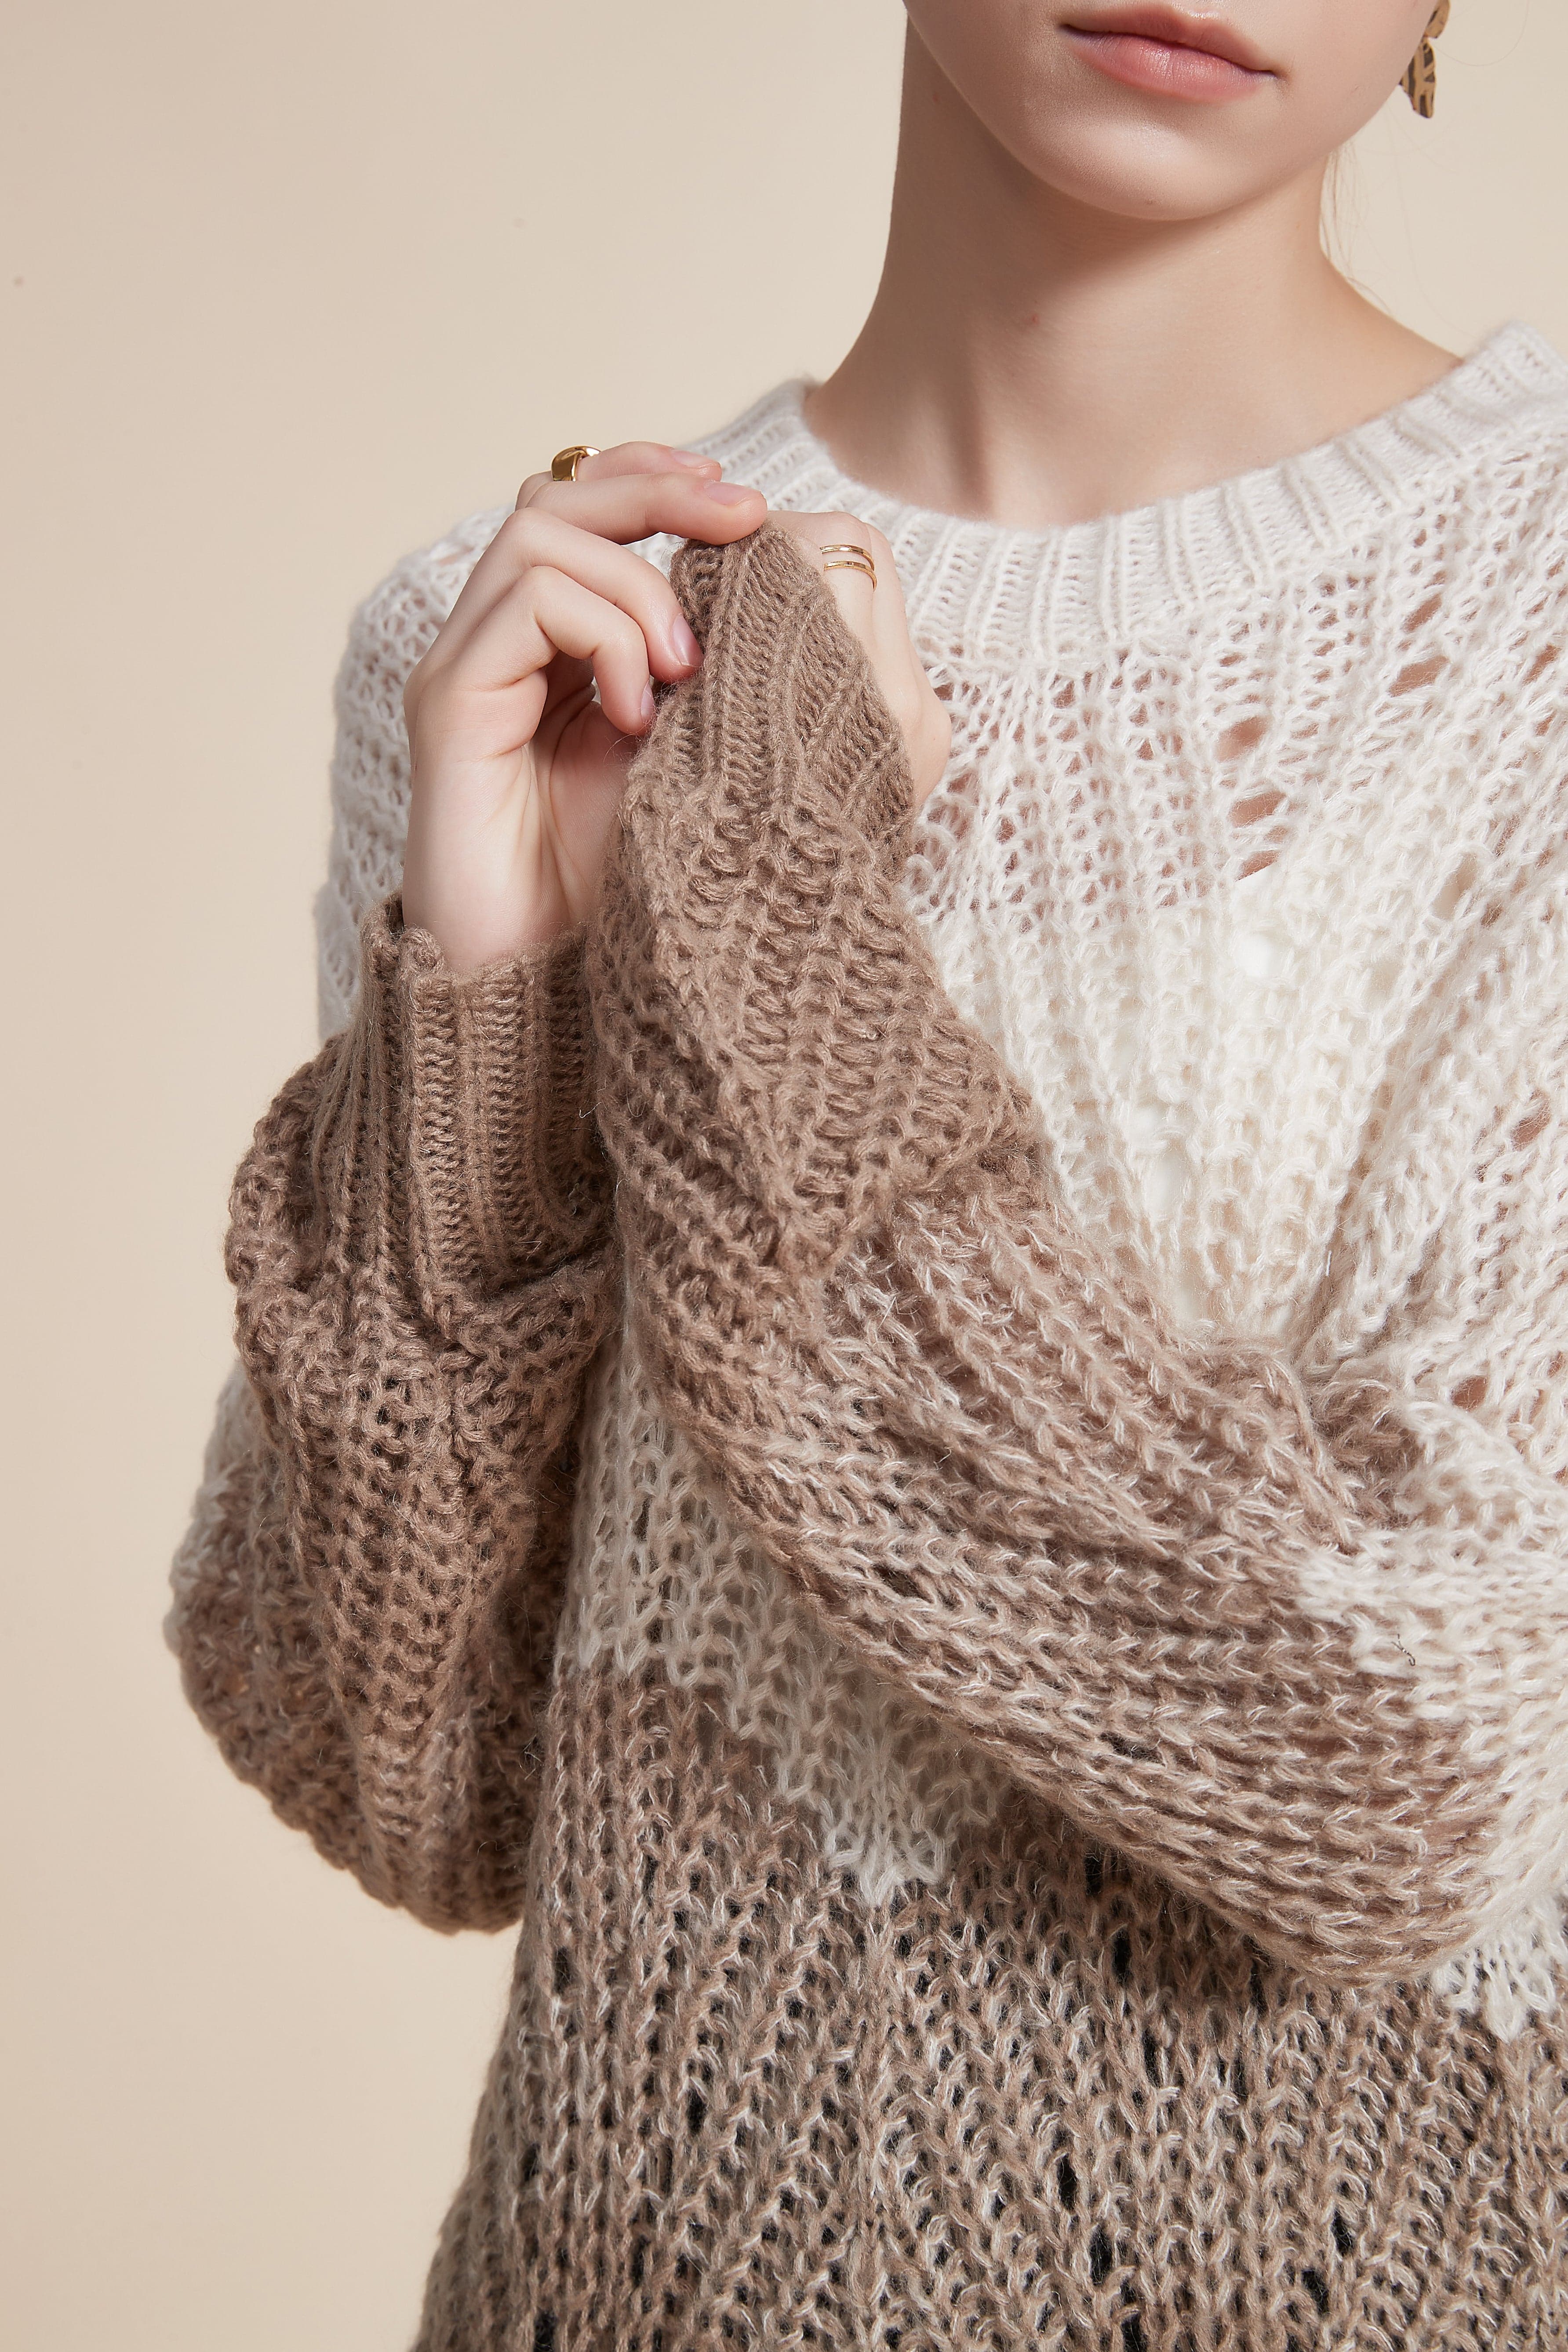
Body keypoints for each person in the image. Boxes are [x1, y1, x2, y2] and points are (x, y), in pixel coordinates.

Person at [168, 5, 1568, 2346]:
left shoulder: (1538, 625)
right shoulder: (528, 644)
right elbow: (406, 1770)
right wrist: (490, 1013)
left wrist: (757, 906)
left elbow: (1401, 1757)